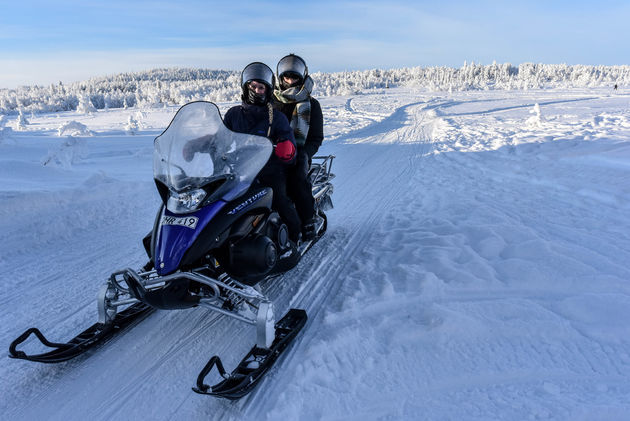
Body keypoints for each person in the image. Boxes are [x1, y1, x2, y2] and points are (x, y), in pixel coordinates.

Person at [223, 62, 301, 243]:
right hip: (238, 170)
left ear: (267, 90)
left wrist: (287, 149)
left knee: (279, 199)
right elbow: (221, 137)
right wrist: (200, 145)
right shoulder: (233, 114)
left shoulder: (277, 117)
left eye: (261, 87)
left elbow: (289, 144)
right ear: (245, 86)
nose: (256, 90)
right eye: (253, 86)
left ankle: (294, 234)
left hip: (269, 170)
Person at [273, 54, 324, 240]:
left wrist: (303, 153)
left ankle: (307, 219)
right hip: (271, 151)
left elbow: (316, 137)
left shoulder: (311, 104)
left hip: (299, 152)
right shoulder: (272, 101)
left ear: (301, 78)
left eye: (294, 77)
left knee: (296, 178)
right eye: (287, 77)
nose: (290, 81)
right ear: (280, 77)